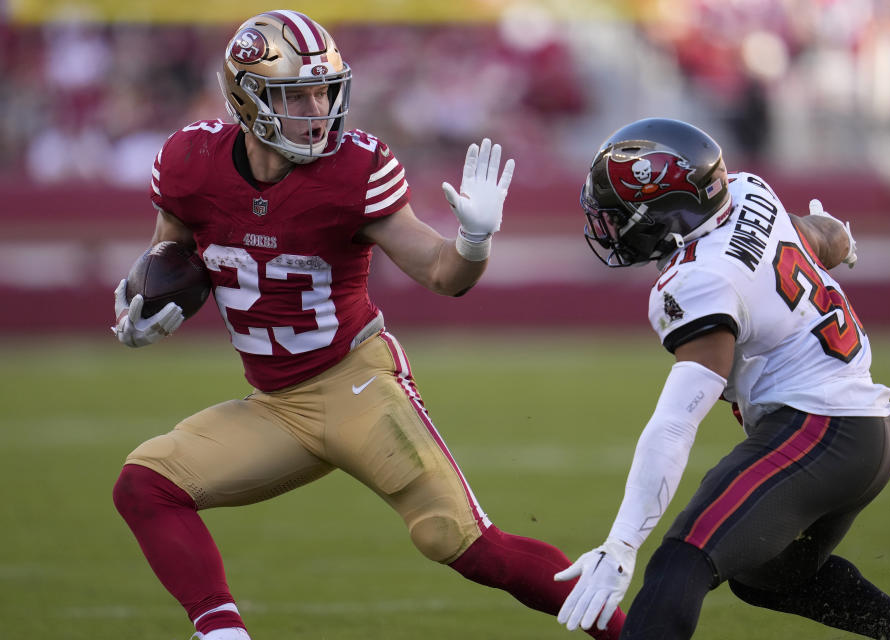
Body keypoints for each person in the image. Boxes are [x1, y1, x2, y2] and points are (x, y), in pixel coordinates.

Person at [109, 10, 625, 640]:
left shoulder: (353, 169)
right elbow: (170, 258)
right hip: (274, 405)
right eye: (296, 94)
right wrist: (142, 311)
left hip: (358, 385)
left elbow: (444, 275)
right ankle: (222, 634)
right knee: (144, 485)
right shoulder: (191, 161)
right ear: (248, 99)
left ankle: (635, 630)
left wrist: (474, 239)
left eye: (324, 90)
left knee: (460, 543)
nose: (316, 107)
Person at [552, 117, 890, 640]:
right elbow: (824, 237)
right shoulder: (748, 193)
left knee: (682, 558)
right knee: (762, 572)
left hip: (820, 430)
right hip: (869, 434)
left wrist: (622, 542)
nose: (607, 227)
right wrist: (842, 242)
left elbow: (676, 423)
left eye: (618, 215)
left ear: (666, 212)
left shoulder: (697, 280)